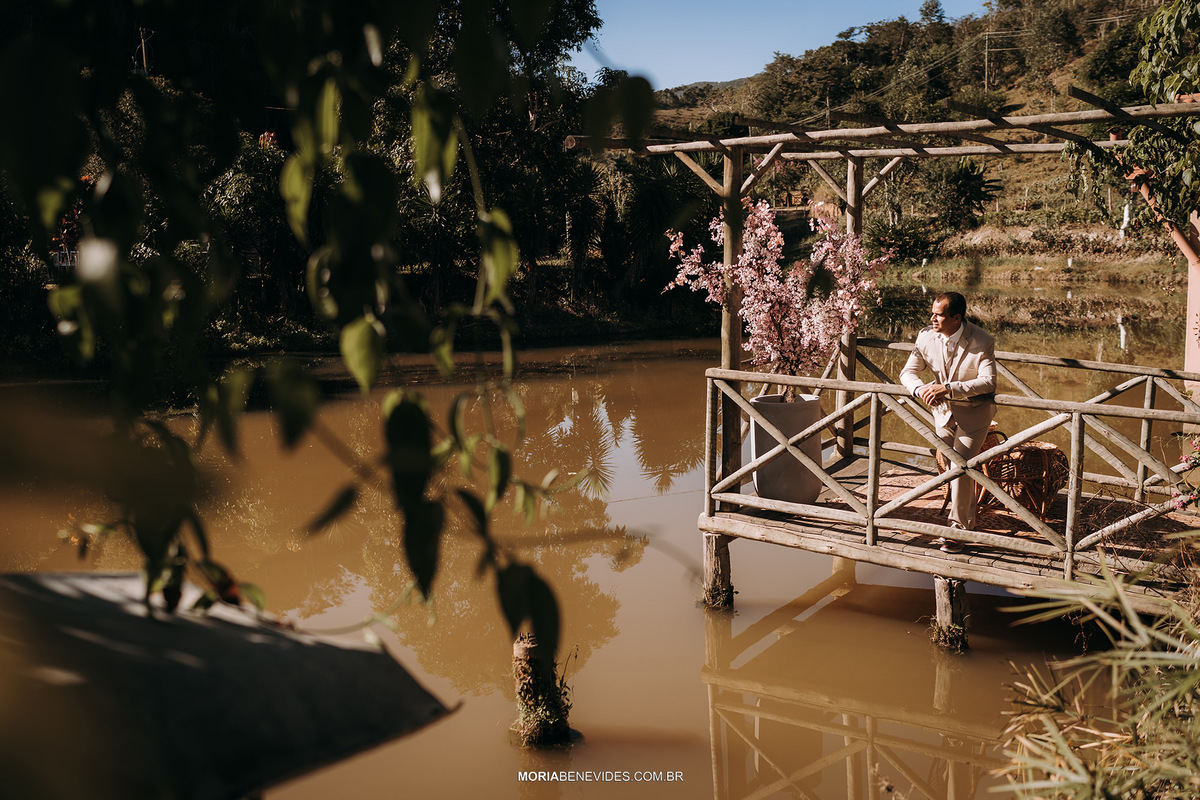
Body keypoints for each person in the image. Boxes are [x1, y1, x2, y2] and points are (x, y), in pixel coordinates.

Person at [899, 291, 997, 552]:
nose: (932, 318)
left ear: (956, 318)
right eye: (932, 312)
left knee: (960, 466)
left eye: (938, 314)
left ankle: (959, 531)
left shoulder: (983, 340)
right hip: (941, 413)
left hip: (974, 414)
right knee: (948, 467)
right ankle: (963, 512)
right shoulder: (925, 337)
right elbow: (908, 373)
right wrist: (921, 390)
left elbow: (988, 382)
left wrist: (949, 388)